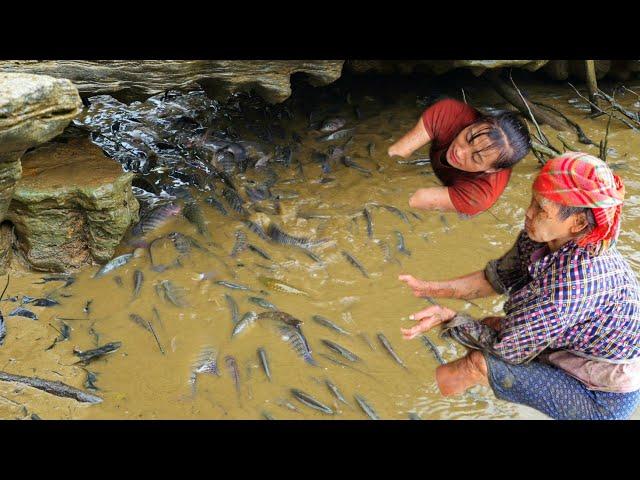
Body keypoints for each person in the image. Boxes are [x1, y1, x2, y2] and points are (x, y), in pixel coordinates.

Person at [398, 152, 640, 420]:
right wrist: (429, 288)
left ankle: (418, 411)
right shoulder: (542, 237)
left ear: (578, 222)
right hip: (571, 351)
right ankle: (439, 394)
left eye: (541, 208)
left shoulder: (571, 287)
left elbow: (506, 349)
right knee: (488, 325)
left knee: (477, 364)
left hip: (601, 397)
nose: (528, 212)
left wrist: (449, 318)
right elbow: (497, 278)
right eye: (532, 201)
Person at [388, 98, 530, 216]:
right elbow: (396, 154)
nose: (460, 152)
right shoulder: (451, 113)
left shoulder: (479, 195)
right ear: (476, 122)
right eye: (468, 138)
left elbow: (413, 200)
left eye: (476, 158)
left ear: (491, 170)